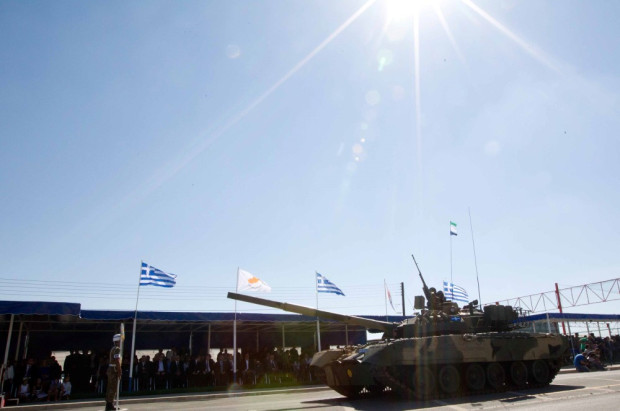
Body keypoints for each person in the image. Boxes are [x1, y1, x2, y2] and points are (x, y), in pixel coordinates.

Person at [105, 333, 122, 411]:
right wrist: (119, 371)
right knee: (113, 387)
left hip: (111, 369)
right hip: (113, 370)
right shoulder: (117, 349)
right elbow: (117, 361)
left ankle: (109, 404)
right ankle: (110, 404)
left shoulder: (113, 348)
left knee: (110, 387)